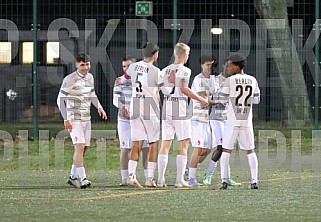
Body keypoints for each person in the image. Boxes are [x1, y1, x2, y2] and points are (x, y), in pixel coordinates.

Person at [157, 43, 209, 188]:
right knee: (184, 142)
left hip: (167, 106)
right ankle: (179, 180)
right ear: (185, 55)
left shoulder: (164, 70)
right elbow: (184, 89)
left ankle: (160, 180)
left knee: (166, 143)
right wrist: (201, 99)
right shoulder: (185, 70)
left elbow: (162, 89)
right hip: (179, 106)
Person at [126, 42, 175, 188]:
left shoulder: (133, 67)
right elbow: (167, 92)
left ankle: (131, 175)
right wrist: (171, 82)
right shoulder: (156, 71)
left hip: (135, 107)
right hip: (149, 110)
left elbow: (124, 78)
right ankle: (149, 178)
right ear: (155, 54)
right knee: (153, 143)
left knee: (137, 143)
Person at [57, 52, 107, 189]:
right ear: (77, 65)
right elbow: (60, 99)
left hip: (86, 118)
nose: (85, 67)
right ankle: (83, 178)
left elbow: (92, 93)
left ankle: (73, 176)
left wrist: (99, 107)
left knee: (84, 148)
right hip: (74, 119)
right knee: (79, 147)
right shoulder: (70, 79)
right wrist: (66, 118)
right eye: (82, 65)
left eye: (87, 64)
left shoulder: (90, 77)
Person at [218, 53, 260, 190]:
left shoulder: (229, 80)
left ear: (237, 66)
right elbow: (256, 99)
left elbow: (222, 99)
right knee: (250, 150)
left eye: (230, 65)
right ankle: (254, 181)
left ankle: (224, 180)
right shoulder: (252, 80)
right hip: (246, 120)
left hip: (232, 120)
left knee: (226, 150)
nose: (228, 68)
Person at [202, 59, 241, 187]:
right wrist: (218, 102)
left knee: (227, 148)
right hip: (216, 118)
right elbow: (206, 98)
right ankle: (208, 174)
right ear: (224, 66)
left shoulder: (235, 80)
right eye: (228, 65)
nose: (229, 68)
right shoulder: (216, 79)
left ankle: (227, 177)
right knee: (221, 147)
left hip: (228, 119)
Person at [113, 56, 149, 186]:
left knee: (145, 148)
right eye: (124, 66)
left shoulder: (141, 80)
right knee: (125, 148)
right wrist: (124, 107)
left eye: (129, 66)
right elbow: (115, 99)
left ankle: (148, 177)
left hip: (140, 118)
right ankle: (124, 179)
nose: (126, 69)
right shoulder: (119, 81)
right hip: (125, 120)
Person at [187, 54, 215, 186]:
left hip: (206, 119)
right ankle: (191, 178)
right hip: (196, 118)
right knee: (198, 148)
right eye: (207, 65)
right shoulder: (199, 79)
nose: (210, 67)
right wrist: (221, 101)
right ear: (202, 65)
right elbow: (205, 99)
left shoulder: (213, 79)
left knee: (207, 150)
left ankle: (188, 169)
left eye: (211, 64)